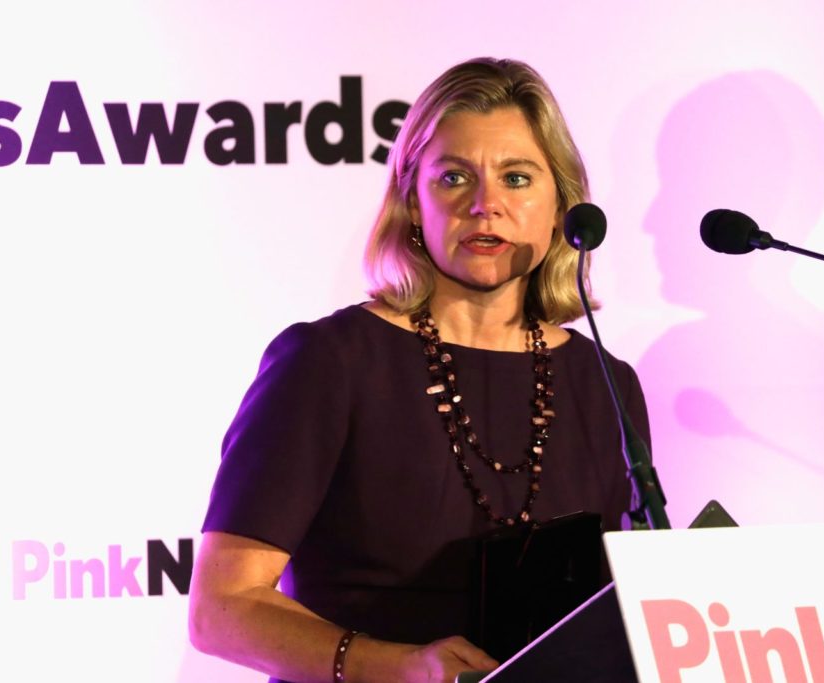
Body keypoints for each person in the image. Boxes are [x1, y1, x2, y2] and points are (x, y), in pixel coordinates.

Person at [189, 57, 651, 683]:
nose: (486, 205)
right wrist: (400, 667)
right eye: (454, 178)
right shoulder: (330, 362)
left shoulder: (605, 381)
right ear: (412, 202)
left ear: (560, 206)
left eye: (517, 178)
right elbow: (222, 610)